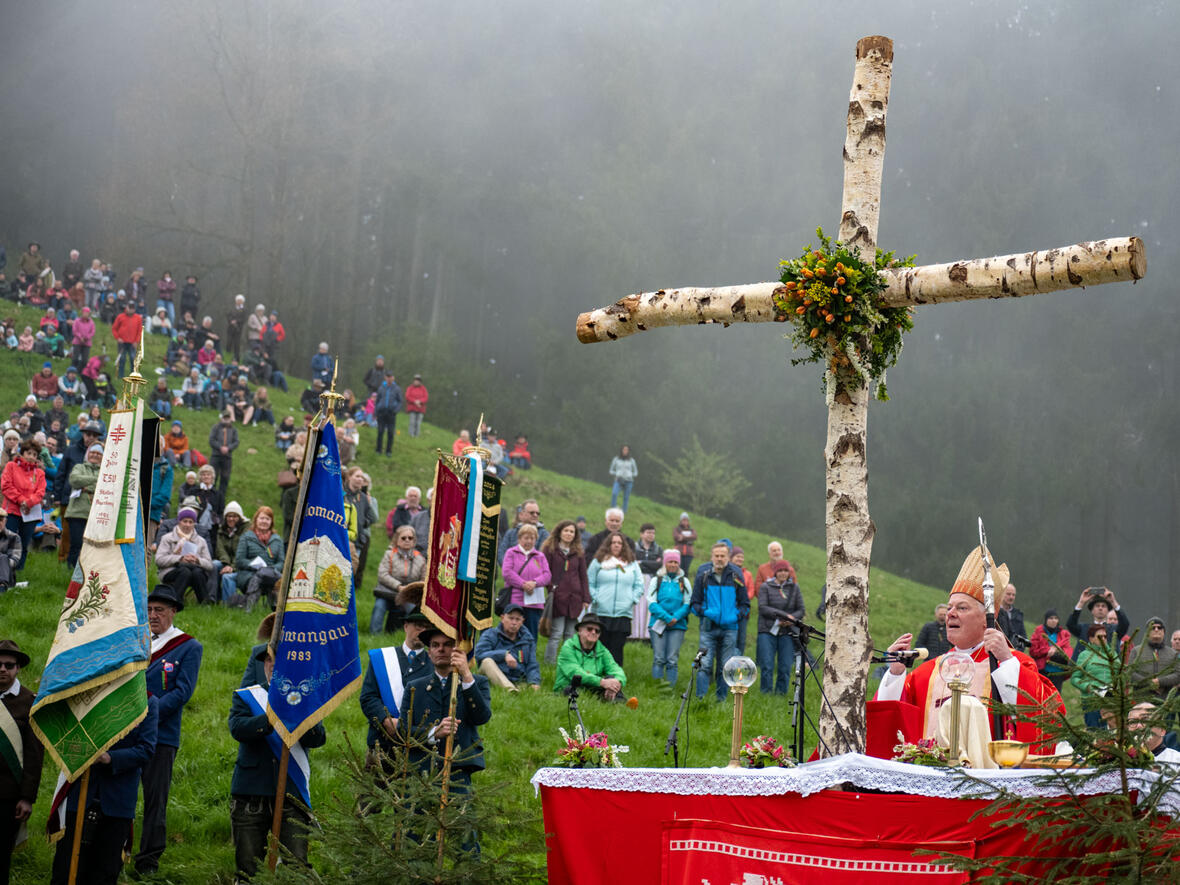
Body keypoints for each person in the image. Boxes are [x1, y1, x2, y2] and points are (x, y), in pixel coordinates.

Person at [876, 546, 1066, 746]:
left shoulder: (1011, 664)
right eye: (949, 607)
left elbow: (1048, 716)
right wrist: (895, 673)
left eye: (962, 608)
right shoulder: (927, 673)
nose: (950, 613)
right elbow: (891, 725)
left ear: (986, 619)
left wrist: (1007, 663)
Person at [229, 646, 325, 881]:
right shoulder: (247, 696)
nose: (272, 665)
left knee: (297, 866)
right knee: (248, 869)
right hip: (252, 790)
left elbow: (318, 738)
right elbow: (238, 728)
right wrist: (271, 719)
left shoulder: (305, 697)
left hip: (291, 791)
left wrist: (297, 715)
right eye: (268, 660)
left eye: (278, 659)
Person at [135, 586, 203, 877]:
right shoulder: (134, 641)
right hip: (123, 732)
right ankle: (113, 850)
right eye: (149, 610)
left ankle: (148, 861)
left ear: (173, 612)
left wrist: (147, 717)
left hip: (161, 734)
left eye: (160, 610)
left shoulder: (188, 647)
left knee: (155, 800)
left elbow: (182, 692)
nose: (153, 615)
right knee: (117, 794)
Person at [400, 627, 492, 838]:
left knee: (464, 838)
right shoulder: (415, 687)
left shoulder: (476, 683)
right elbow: (403, 731)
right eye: (435, 645)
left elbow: (482, 716)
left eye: (448, 645)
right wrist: (433, 733)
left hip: (458, 771)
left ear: (458, 650)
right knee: (415, 835)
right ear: (429, 652)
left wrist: (466, 675)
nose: (441, 649)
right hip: (422, 771)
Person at [359, 609, 431, 763]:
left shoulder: (435, 665)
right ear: (406, 626)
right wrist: (385, 720)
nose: (423, 631)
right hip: (382, 742)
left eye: (427, 627)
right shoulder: (383, 658)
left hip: (420, 747)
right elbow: (368, 697)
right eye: (418, 625)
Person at [0, 640, 44, 885]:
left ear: (18, 668)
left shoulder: (29, 702)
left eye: (9, 665)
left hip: (8, 796)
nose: (2, 669)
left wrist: (27, 797)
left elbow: (34, 755)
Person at [691, 542, 748, 701]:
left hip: (730, 628)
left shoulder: (736, 576)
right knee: (704, 665)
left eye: (722, 556)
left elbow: (745, 604)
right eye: (716, 555)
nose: (719, 558)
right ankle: (700, 699)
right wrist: (706, 612)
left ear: (728, 557)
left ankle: (721, 700)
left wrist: (735, 616)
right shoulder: (703, 576)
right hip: (708, 628)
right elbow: (694, 603)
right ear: (712, 557)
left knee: (726, 666)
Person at [587, 531, 643, 668]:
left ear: (623, 546)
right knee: (600, 648)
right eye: (613, 542)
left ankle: (615, 677)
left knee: (617, 648)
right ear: (608, 545)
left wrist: (632, 599)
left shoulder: (631, 564)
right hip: (602, 612)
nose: (616, 545)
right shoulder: (598, 562)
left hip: (622, 613)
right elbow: (589, 582)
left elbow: (639, 584)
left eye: (619, 543)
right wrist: (596, 598)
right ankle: (598, 676)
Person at [540, 521, 590, 665]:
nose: (569, 534)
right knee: (556, 633)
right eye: (566, 530)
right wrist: (551, 588)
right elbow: (544, 571)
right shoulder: (550, 549)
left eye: (572, 531)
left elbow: (583, 576)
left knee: (570, 634)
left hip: (575, 599)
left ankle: (567, 663)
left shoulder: (578, 552)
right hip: (558, 599)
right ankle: (549, 664)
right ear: (560, 532)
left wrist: (586, 598)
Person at [553, 614, 628, 700]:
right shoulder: (568, 647)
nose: (593, 632)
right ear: (580, 630)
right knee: (571, 689)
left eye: (597, 631)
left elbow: (616, 669)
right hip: (570, 686)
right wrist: (601, 682)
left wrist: (617, 682)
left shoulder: (602, 650)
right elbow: (575, 673)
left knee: (612, 679)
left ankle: (619, 702)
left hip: (593, 686)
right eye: (589, 629)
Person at [647, 550, 692, 685]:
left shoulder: (684, 581)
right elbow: (651, 603)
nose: (673, 564)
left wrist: (675, 618)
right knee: (659, 658)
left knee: (672, 659)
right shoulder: (656, 580)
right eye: (670, 561)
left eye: (675, 562)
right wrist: (667, 617)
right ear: (665, 563)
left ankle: (670, 689)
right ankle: (657, 688)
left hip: (678, 625)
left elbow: (687, 603)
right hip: (658, 623)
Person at [1, 440, 45, 574]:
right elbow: (6, 486)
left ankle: (18, 572)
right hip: (12, 511)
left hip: (30, 514)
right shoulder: (11, 466)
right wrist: (22, 501)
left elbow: (40, 492)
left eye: (34, 454)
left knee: (24, 544)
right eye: (28, 453)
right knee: (7, 542)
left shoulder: (39, 473)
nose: (31, 456)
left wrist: (30, 502)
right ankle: (4, 571)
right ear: (22, 453)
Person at [155, 506, 215, 605]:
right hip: (170, 570)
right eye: (185, 521)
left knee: (197, 573)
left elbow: (209, 564)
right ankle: (175, 602)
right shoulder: (167, 538)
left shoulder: (201, 541)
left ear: (194, 524)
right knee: (185, 572)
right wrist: (179, 558)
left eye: (191, 522)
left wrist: (197, 560)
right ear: (179, 522)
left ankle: (204, 604)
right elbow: (159, 560)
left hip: (194, 570)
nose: (187, 525)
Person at [475, 604, 542, 691]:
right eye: (511, 618)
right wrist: (504, 654)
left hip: (517, 678)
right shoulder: (490, 634)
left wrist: (534, 682)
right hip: (492, 674)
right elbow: (479, 654)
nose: (514, 623)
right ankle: (510, 689)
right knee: (487, 661)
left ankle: (515, 689)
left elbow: (532, 663)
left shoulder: (527, 639)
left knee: (531, 687)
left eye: (517, 619)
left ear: (522, 621)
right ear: (502, 618)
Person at [373, 526, 426, 633]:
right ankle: (374, 635)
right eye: (403, 538)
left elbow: (424, 579)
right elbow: (382, 575)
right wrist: (398, 586)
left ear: (414, 541)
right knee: (379, 607)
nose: (407, 540)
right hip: (387, 592)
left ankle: (413, 636)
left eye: (410, 538)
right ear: (397, 540)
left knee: (414, 611)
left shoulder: (420, 559)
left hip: (408, 595)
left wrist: (410, 589)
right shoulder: (389, 554)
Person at [232, 506, 285, 610]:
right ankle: (252, 608)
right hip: (248, 574)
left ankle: (276, 610)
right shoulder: (246, 537)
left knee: (273, 578)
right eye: (261, 518)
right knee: (260, 576)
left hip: (272, 573)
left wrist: (270, 569)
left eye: (267, 519)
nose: (264, 521)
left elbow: (281, 562)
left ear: (271, 522)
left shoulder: (277, 540)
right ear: (256, 520)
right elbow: (239, 560)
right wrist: (254, 565)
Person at [64, 442, 103, 569]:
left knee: (92, 546)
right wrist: (96, 480)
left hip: (95, 515)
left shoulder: (105, 471)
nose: (95, 455)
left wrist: (85, 486)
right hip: (77, 512)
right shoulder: (79, 467)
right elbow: (74, 480)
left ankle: (87, 571)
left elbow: (104, 487)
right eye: (92, 452)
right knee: (76, 544)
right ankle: (71, 570)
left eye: (98, 453)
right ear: (88, 454)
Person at [1066, 587, 1129, 661]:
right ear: (1092, 610)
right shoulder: (1083, 628)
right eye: (1097, 606)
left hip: (1108, 666)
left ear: (1108, 611)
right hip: (1084, 665)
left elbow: (1125, 624)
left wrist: (1113, 602)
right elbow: (1070, 624)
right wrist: (1081, 602)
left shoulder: (1114, 629)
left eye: (1103, 606)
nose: (1100, 608)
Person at [1072, 625, 1113, 729]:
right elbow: (1075, 678)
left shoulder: (1112, 655)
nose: (1103, 639)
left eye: (1105, 636)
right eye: (1100, 636)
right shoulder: (1084, 655)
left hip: (1110, 701)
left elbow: (1121, 674)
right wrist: (1087, 687)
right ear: (1091, 639)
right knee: (1094, 731)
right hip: (1091, 701)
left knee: (1111, 732)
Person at [1130, 617, 1180, 702]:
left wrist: (1160, 681)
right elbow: (1130, 673)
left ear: (1163, 632)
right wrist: (1149, 683)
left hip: (1165, 702)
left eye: (1159, 627)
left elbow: (1178, 675)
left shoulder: (1173, 654)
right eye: (1153, 627)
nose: (1156, 630)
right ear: (1147, 632)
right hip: (1141, 701)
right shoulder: (1136, 651)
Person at [631, 523, 662, 642]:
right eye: (648, 532)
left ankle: (647, 634)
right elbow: (633, 563)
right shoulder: (634, 547)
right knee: (637, 606)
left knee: (649, 606)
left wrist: (642, 562)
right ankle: (635, 634)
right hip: (637, 580)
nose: (651, 535)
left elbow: (659, 565)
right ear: (642, 534)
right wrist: (651, 563)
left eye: (653, 533)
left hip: (652, 580)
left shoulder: (658, 549)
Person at [1029, 610, 1073, 692]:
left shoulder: (1063, 635)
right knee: (1040, 695)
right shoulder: (1038, 633)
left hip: (1058, 673)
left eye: (1056, 618)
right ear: (1046, 620)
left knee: (1055, 697)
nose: (1054, 620)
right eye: (1051, 618)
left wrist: (1056, 651)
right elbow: (1033, 651)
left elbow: (1068, 652)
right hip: (1042, 671)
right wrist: (1048, 650)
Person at [496, 498, 549, 564]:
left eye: (537, 513)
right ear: (521, 514)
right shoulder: (511, 533)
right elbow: (501, 553)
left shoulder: (544, 535)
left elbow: (542, 558)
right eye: (532, 513)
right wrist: (509, 566)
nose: (535, 515)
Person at [214, 501, 247, 602]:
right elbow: (220, 549)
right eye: (229, 516)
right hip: (226, 562)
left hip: (240, 565)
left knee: (227, 576)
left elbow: (242, 552)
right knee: (214, 564)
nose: (231, 519)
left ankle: (229, 604)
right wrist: (227, 564)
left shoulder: (246, 530)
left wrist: (232, 567)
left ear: (240, 517)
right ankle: (213, 598)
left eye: (235, 516)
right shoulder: (222, 529)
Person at [208, 409, 239, 496]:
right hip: (216, 455)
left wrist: (228, 448)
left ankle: (221, 496)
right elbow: (211, 440)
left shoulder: (233, 430)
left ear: (230, 418)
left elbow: (236, 442)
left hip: (227, 457)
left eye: (228, 418)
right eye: (224, 418)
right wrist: (220, 447)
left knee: (225, 477)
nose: (226, 419)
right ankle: (211, 494)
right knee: (213, 475)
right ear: (221, 418)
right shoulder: (215, 428)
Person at [111, 300, 144, 378]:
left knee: (133, 359)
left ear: (134, 309)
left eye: (132, 308)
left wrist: (136, 341)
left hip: (132, 343)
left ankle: (133, 375)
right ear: (127, 307)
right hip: (122, 342)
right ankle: (120, 375)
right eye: (130, 307)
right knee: (122, 359)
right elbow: (114, 328)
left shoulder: (138, 318)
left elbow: (139, 331)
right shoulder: (120, 316)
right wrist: (117, 338)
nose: (131, 310)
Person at [374, 371, 402, 456]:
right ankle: (378, 450)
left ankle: (388, 451)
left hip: (391, 413)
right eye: (387, 376)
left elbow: (400, 401)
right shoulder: (381, 388)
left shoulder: (397, 388)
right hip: (381, 413)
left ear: (393, 378)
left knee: (390, 432)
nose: (389, 378)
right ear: (385, 378)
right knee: (380, 431)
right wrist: (376, 411)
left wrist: (395, 410)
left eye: (391, 377)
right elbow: (377, 400)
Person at [995, 583, 1028, 651]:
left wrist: (1017, 651)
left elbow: (1023, 637)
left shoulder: (1018, 614)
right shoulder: (995, 612)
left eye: (1013, 595)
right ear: (1001, 594)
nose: (1011, 597)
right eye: (1008, 594)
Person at [608, 444, 637, 512]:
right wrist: (617, 474)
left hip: (629, 481)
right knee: (614, 493)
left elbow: (636, 472)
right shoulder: (616, 459)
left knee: (626, 497)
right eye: (624, 449)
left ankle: (624, 511)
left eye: (627, 450)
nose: (625, 451)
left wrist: (630, 475)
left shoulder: (632, 460)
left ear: (628, 451)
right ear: (621, 450)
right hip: (618, 480)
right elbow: (611, 470)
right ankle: (613, 509)